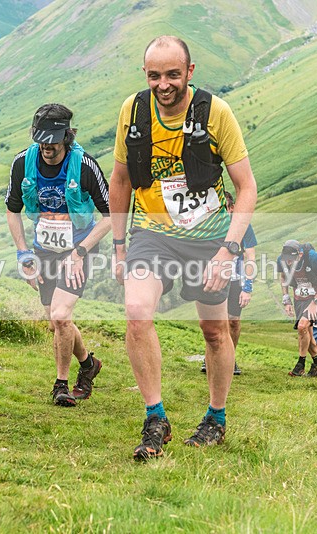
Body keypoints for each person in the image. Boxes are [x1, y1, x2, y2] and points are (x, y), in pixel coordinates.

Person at [109, 36, 257, 460]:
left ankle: (216, 417)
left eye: (173, 74)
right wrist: (120, 248)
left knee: (215, 330)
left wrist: (229, 251)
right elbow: (120, 182)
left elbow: (247, 188)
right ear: (146, 75)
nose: (164, 84)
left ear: (190, 72)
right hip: (152, 234)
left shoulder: (215, 113)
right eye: (154, 75)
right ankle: (155, 417)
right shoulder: (132, 111)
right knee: (137, 313)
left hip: (210, 237)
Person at [5, 103, 110, 406]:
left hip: (77, 249)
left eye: (53, 140)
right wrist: (24, 254)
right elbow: (13, 211)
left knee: (62, 317)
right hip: (43, 250)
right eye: (41, 140)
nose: (47, 146)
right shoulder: (22, 163)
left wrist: (79, 252)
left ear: (67, 135)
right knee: (55, 321)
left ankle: (61, 384)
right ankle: (89, 364)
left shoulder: (85, 165)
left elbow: (111, 215)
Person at [201, 191, 255, 375]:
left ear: (232, 208)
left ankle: (229, 358)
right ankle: (211, 356)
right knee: (213, 321)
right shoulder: (208, 225)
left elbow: (251, 257)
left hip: (235, 280)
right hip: (214, 277)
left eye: (224, 208)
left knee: (233, 321)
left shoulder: (244, 227)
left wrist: (247, 288)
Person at [278, 240, 317, 378]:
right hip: (300, 298)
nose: (289, 262)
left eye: (292, 259)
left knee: (302, 326)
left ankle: (300, 364)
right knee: (306, 333)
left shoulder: (312, 257)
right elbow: (283, 277)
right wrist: (286, 298)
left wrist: (315, 302)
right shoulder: (282, 259)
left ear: (300, 254)